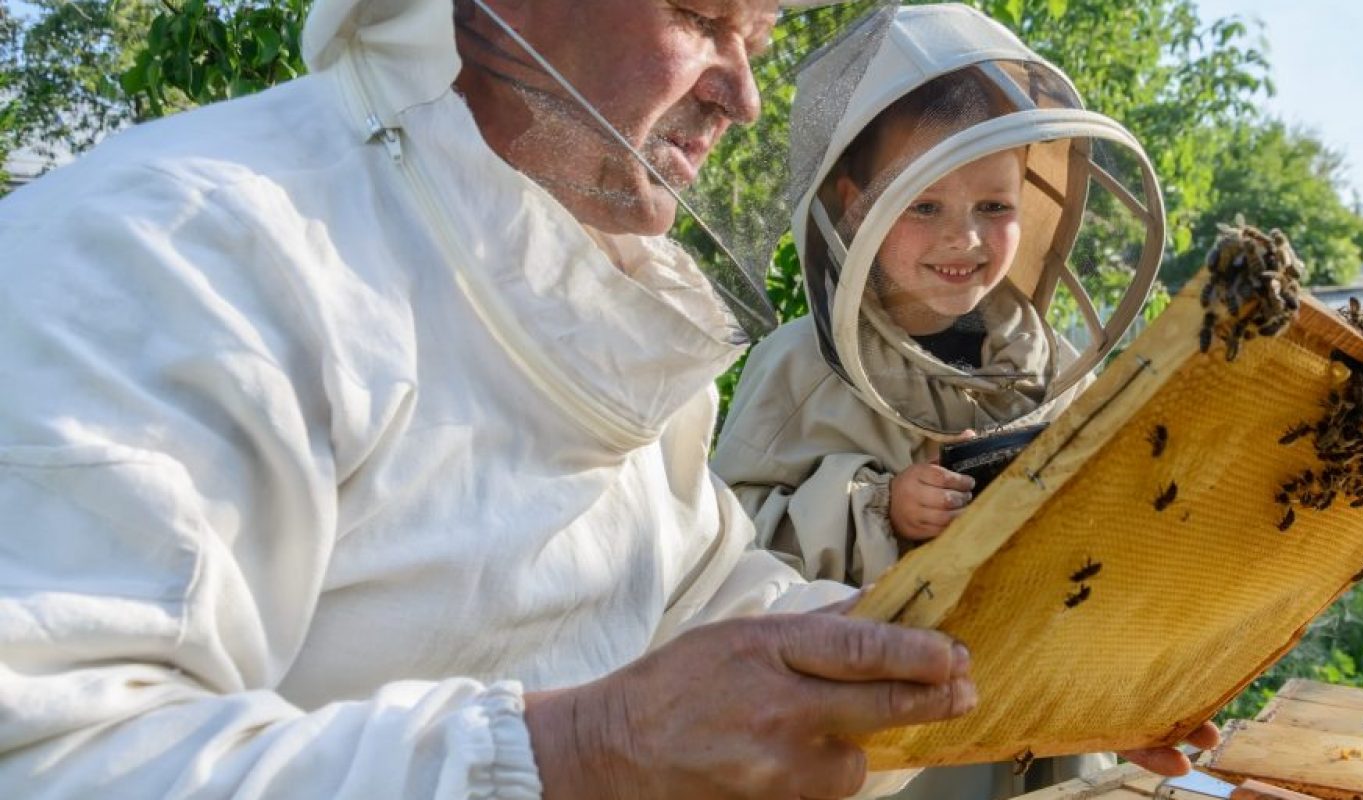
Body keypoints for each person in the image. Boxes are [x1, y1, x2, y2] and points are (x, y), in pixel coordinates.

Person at [0, 0, 1216, 797]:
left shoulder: (591, 304)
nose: (740, 96)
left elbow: (721, 599)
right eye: (702, 17)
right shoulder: (173, 248)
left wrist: (1055, 669)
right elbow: (49, 751)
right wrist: (582, 747)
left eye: (756, 33)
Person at [714, 5, 1175, 793]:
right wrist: (875, 506)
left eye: (993, 207)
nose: (963, 238)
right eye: (923, 205)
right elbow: (722, 552)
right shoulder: (796, 367)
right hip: (880, 746)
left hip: (1033, 715)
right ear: (855, 206)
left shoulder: (1050, 366)